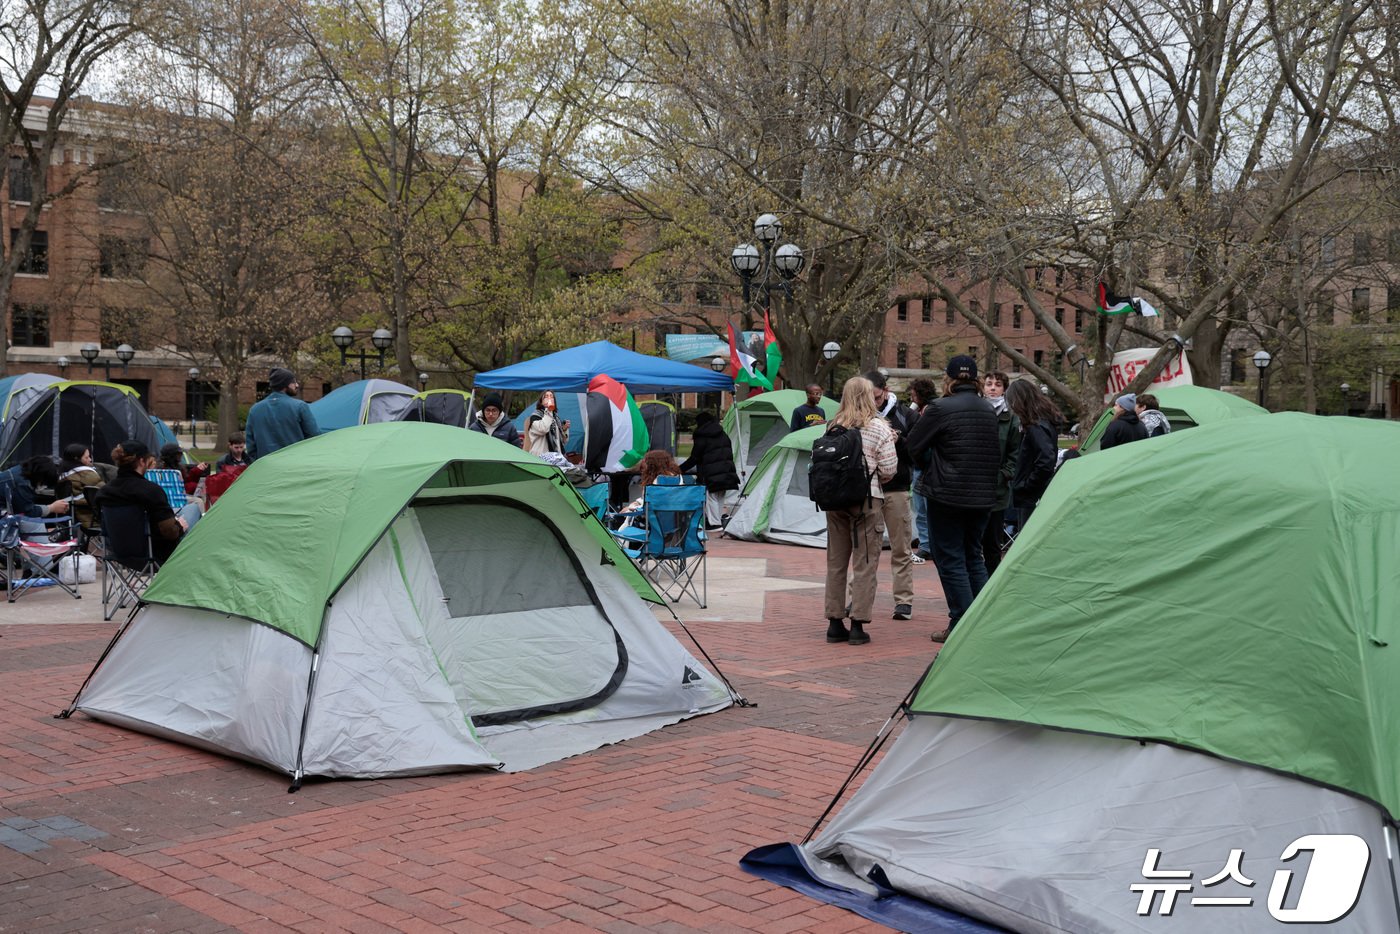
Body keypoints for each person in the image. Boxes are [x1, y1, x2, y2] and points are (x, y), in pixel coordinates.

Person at [906, 355, 1000, 643]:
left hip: (947, 494)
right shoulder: (988, 409)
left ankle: (961, 622)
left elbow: (912, 447)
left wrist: (930, 462)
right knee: (973, 556)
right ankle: (982, 620)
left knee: (950, 559)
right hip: (982, 495)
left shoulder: (939, 408)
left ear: (948, 379)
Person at [821, 376, 897, 647]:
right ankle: (857, 625)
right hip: (867, 500)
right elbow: (889, 469)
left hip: (835, 502)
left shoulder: (833, 425)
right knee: (865, 564)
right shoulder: (878, 427)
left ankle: (834, 622)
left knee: (836, 562)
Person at [867, 371, 918, 621]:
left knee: (901, 547)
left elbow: (918, 452)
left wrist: (900, 440)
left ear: (885, 390)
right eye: (867, 398)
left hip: (897, 489)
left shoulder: (906, 415)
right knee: (867, 550)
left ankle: (904, 601)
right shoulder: (860, 415)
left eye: (875, 398)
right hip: (868, 490)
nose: (872, 403)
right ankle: (860, 600)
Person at [97, 440, 195, 564]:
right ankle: (188, 569)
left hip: (118, 553)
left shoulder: (103, 492)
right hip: (155, 554)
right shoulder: (151, 491)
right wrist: (180, 526)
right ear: (142, 461)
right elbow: (170, 532)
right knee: (193, 509)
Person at [1005, 379, 1063, 529]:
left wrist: (1027, 485)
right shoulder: (1040, 423)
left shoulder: (1035, 426)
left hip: (1031, 495)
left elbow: (1046, 460)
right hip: (1032, 493)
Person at [981, 372, 1021, 578]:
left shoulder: (1011, 417)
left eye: (997, 384)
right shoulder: (976, 410)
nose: (993, 388)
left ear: (1004, 388)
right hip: (974, 485)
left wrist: (1004, 474)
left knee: (992, 543)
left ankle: (991, 582)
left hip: (997, 490)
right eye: (989, 384)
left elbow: (1015, 453)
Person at [679, 411, 741, 528]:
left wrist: (679, 469)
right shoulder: (723, 434)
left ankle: (714, 523)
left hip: (710, 473)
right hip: (727, 472)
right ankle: (718, 521)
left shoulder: (702, 436)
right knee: (720, 496)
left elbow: (694, 458)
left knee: (710, 497)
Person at [245, 367, 320, 460]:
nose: (297, 385)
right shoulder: (300, 406)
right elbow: (315, 438)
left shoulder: (255, 409)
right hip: (294, 464)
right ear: (285, 385)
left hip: (265, 467)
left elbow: (250, 445)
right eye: (293, 382)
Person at [906, 377, 937, 561]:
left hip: (926, 466)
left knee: (925, 510)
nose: (911, 397)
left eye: (913, 393)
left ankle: (928, 545)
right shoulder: (924, 410)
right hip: (924, 466)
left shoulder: (930, 412)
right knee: (923, 509)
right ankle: (927, 545)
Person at [0, 455, 70, 522]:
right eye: (44, 483)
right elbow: (27, 512)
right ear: (41, 478)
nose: (43, 486)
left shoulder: (21, 470)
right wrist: (51, 508)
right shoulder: (22, 485)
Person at [57, 444, 105, 533]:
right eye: (87, 457)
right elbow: (105, 492)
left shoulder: (62, 475)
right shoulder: (86, 474)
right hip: (90, 518)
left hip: (69, 517)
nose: (90, 460)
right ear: (76, 458)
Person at [620, 449, 683, 515]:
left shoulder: (657, 480)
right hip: (676, 516)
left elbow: (652, 503)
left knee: (625, 512)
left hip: (656, 517)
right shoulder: (678, 477)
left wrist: (631, 507)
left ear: (652, 465)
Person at [524, 390, 570, 456]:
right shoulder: (535, 417)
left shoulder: (555, 418)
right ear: (541, 401)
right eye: (546, 397)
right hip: (540, 458)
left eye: (552, 397)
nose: (549, 398)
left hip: (555, 458)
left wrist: (564, 430)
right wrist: (549, 410)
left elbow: (562, 441)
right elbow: (543, 429)